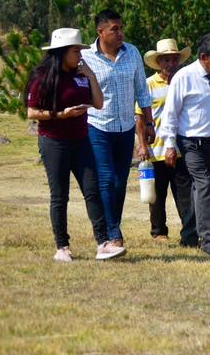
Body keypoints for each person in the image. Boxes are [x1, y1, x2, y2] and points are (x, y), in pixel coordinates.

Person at [26, 28, 125, 261]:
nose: (80, 54)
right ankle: (62, 247)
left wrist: (91, 76)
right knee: (60, 196)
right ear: (61, 53)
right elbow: (32, 112)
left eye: (81, 50)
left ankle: (103, 243)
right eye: (75, 50)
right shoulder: (43, 77)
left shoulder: (81, 75)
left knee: (92, 191)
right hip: (54, 143)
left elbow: (99, 104)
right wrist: (61, 115)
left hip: (81, 140)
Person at [81, 10, 153, 249]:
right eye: (114, 29)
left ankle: (112, 224)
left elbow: (142, 91)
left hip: (125, 127)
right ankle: (112, 232)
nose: (120, 33)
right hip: (97, 126)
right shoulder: (85, 57)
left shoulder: (132, 52)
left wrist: (149, 124)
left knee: (120, 182)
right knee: (107, 178)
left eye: (121, 28)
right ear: (100, 32)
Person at [159, 34, 210, 260]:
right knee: (204, 185)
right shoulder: (184, 77)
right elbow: (171, 112)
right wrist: (169, 145)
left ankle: (190, 234)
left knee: (201, 191)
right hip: (191, 143)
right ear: (203, 57)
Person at [135, 38, 197, 247]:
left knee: (185, 195)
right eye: (167, 60)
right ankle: (158, 231)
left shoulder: (186, 81)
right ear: (159, 62)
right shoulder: (148, 84)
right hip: (156, 150)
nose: (171, 64)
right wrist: (142, 145)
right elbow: (140, 118)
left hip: (181, 149)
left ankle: (189, 233)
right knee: (157, 195)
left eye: (174, 60)